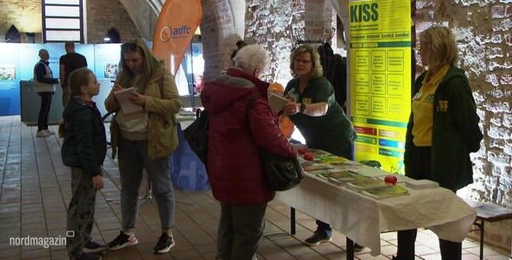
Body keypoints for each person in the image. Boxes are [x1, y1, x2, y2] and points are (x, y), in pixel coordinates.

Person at [393, 26, 483, 260]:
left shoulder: (454, 82)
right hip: (418, 158)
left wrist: (462, 151)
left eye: (422, 46)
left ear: (437, 49)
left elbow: (469, 124)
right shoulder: (423, 79)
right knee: (408, 210)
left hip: (441, 160)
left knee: (445, 218)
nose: (418, 51)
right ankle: (404, 256)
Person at [201, 44, 297, 260]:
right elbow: (270, 138)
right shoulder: (252, 99)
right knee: (249, 233)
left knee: (229, 225)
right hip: (248, 174)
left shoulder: (218, 90)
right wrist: (292, 152)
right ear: (256, 72)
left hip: (221, 169)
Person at [105, 39, 181, 254]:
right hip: (127, 139)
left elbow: (174, 105)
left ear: (145, 57)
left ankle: (167, 234)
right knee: (129, 187)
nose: (131, 64)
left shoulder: (161, 75)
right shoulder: (124, 75)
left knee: (161, 186)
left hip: (153, 139)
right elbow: (109, 106)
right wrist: (116, 96)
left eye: (135, 60)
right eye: (127, 60)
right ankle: (127, 233)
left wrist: (145, 101)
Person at [281, 44, 357, 246]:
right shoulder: (292, 85)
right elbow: (282, 108)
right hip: (315, 142)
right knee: (320, 187)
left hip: (338, 140)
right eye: (298, 60)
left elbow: (322, 109)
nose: (301, 64)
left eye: (305, 61)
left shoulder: (321, 84)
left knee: (345, 189)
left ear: (314, 64)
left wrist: (300, 107)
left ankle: (356, 236)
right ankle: (324, 229)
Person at [59, 68, 107, 260]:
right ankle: (75, 251)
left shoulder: (85, 107)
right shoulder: (82, 113)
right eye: (95, 82)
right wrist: (94, 171)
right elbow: (85, 146)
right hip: (84, 168)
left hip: (87, 166)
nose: (98, 84)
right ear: (84, 88)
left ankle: (84, 239)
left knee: (87, 205)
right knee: (80, 208)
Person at [33, 48, 59, 137]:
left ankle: (45, 128)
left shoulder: (45, 65)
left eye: (48, 53)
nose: (48, 55)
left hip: (48, 90)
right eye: (45, 54)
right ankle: (40, 130)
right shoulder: (40, 65)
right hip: (43, 90)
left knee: (46, 110)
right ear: (41, 55)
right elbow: (40, 78)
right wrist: (53, 81)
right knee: (43, 110)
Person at [60, 41, 88, 107]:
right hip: (80, 84)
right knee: (81, 100)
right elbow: (85, 71)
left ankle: (68, 116)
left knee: (67, 101)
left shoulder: (63, 58)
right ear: (74, 47)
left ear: (66, 47)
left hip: (68, 83)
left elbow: (62, 71)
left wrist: (62, 84)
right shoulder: (82, 57)